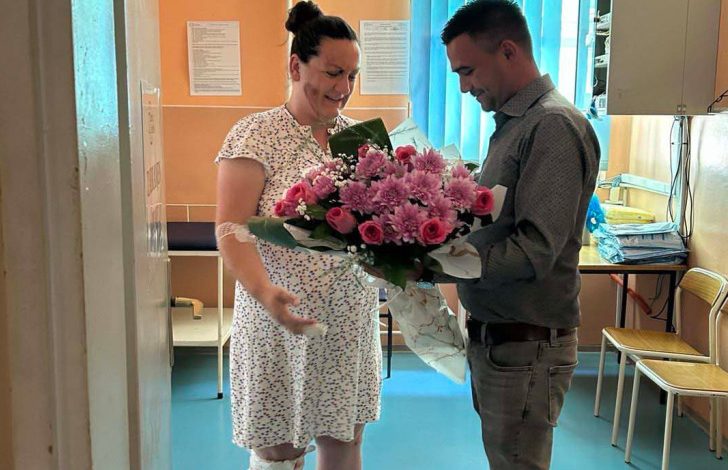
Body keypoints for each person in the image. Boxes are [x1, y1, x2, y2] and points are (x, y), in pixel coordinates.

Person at [214, 3, 380, 469]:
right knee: (278, 451)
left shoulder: (361, 140)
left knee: (343, 437)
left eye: (352, 75)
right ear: (295, 66)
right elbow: (231, 229)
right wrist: (263, 291)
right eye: (333, 73)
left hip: (346, 319)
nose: (343, 88)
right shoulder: (255, 136)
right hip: (276, 318)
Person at [439, 1, 601, 469]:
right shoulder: (515, 126)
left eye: (468, 71)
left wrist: (439, 264)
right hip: (501, 342)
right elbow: (500, 223)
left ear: (508, 51)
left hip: (525, 347)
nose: (464, 86)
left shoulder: (552, 126)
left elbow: (535, 250)